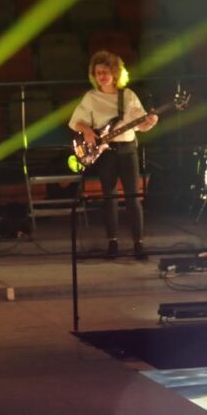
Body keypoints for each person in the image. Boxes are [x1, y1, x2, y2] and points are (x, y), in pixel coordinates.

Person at [68, 50, 157, 260]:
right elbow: (75, 122)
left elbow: (142, 125)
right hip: (105, 153)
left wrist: (151, 122)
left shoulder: (128, 96)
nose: (102, 76)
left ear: (115, 73)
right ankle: (112, 242)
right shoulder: (91, 97)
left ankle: (138, 243)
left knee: (133, 197)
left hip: (127, 149)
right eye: (98, 72)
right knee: (109, 197)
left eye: (106, 72)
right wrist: (87, 130)